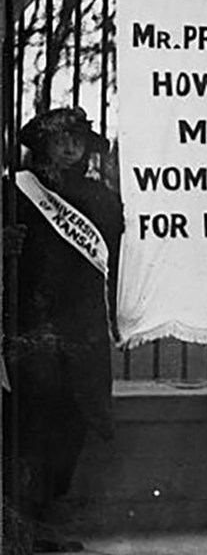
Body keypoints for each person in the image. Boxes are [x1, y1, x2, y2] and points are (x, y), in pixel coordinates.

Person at [2, 107, 123, 553]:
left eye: (77, 139)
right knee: (32, 424)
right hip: (33, 326)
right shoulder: (14, 190)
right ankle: (24, 525)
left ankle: (47, 519)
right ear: (44, 144)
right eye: (61, 139)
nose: (70, 147)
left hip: (83, 327)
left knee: (74, 424)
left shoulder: (102, 198)